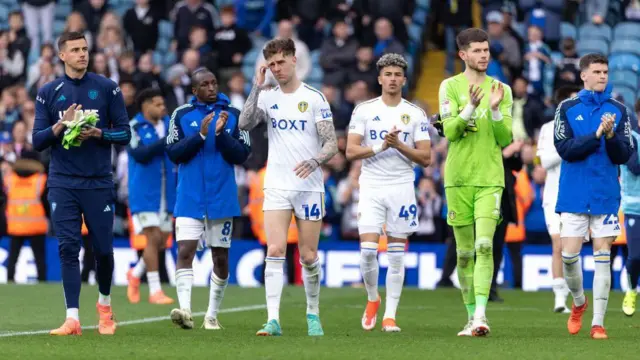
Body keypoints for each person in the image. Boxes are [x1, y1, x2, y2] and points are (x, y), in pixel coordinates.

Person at [32, 31, 131, 336]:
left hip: (98, 181)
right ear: (62, 55)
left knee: (103, 250)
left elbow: (125, 134)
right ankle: (72, 318)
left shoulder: (107, 89)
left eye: (85, 49)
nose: (82, 54)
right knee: (67, 248)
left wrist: (98, 133)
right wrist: (62, 124)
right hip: (63, 182)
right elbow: (37, 141)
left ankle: (104, 307)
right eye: (75, 50)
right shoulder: (48, 92)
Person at [239, 38, 338, 336]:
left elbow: (331, 143)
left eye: (281, 62)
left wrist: (315, 160)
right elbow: (244, 123)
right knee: (275, 248)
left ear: (294, 60)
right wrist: (256, 86)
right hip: (278, 185)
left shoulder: (315, 97)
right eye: (271, 65)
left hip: (308, 187)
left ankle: (312, 313)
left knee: (308, 255)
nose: (277, 69)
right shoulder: (268, 97)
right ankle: (273, 319)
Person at [345, 53, 430, 332]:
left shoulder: (415, 113)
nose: (393, 79)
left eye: (397, 75)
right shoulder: (364, 110)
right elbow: (350, 151)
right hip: (371, 184)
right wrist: (381, 146)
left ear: (404, 80)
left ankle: (390, 316)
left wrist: (398, 146)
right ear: (380, 78)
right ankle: (372, 298)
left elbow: (426, 157)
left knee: (396, 256)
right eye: (388, 74)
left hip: (402, 186)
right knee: (368, 252)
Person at [438, 28, 513, 337]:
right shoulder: (449, 87)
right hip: (457, 179)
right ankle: (470, 316)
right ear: (463, 55)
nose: (484, 55)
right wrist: (469, 107)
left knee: (485, 245)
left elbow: (505, 138)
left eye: (486, 50)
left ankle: (481, 316)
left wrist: (494, 110)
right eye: (478, 51)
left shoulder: (502, 90)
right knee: (465, 252)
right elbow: (451, 131)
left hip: (489, 179)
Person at [554, 53, 634, 340]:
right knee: (569, 258)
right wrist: (598, 134)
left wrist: (611, 137)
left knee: (603, 255)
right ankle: (579, 303)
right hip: (574, 192)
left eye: (605, 72)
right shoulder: (567, 107)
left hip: (605, 194)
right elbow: (566, 150)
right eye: (597, 71)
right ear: (583, 75)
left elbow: (625, 155)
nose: (603, 76)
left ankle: (598, 323)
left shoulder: (619, 110)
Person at [166, 68, 251, 330]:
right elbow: (173, 153)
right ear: (194, 91)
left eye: (214, 82)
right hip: (189, 196)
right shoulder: (181, 115)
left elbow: (242, 155)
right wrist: (201, 135)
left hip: (221, 196)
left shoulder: (235, 115)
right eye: (205, 84)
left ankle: (212, 315)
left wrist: (221, 135)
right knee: (185, 251)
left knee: (221, 258)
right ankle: (186, 311)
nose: (212, 88)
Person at [126, 88, 176, 305]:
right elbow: (140, 154)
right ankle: (155, 290)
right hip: (144, 192)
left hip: (167, 191)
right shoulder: (133, 127)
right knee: (152, 238)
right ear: (146, 106)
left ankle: (135, 274)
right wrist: (166, 141)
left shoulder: (169, 124)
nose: (163, 108)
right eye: (158, 104)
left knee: (161, 241)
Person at [536, 85, 580, 313]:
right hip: (553, 196)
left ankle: (576, 297)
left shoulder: (585, 127)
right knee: (558, 245)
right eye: (573, 100)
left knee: (572, 250)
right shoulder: (548, 128)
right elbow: (544, 162)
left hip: (578, 195)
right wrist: (570, 146)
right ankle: (559, 299)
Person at [622, 107, 640, 317]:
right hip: (635, 207)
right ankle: (631, 289)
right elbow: (634, 166)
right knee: (635, 256)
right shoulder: (630, 139)